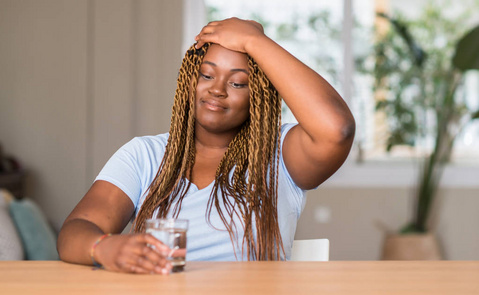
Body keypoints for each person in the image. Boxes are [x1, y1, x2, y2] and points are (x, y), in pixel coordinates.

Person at [57, 17, 355, 274]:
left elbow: (337, 129)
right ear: (190, 81)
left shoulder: (279, 155)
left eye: (238, 83)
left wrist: (254, 41)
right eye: (207, 75)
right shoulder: (143, 155)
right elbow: (74, 232)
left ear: (259, 96)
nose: (217, 89)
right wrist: (104, 247)